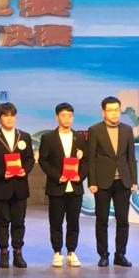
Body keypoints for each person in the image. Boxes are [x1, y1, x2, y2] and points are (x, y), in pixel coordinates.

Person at [86, 95, 138, 267]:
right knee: (102, 221)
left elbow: (131, 157)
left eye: (117, 110)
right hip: (102, 182)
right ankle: (103, 255)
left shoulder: (127, 130)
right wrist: (91, 181)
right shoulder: (95, 130)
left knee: (123, 221)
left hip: (123, 182)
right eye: (110, 110)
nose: (114, 113)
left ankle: (120, 255)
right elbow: (91, 158)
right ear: (103, 112)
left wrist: (134, 180)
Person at [0, 101, 35, 269]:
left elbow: (30, 158)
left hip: (20, 186)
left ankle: (18, 252)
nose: (10, 118)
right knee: (2, 220)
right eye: (6, 116)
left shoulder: (24, 136)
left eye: (12, 115)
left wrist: (25, 170)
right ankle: (4, 251)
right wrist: (1, 173)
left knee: (19, 221)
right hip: (1, 186)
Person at [38, 102, 86, 268]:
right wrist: (57, 176)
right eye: (64, 115)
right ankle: (57, 252)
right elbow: (43, 161)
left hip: (75, 187)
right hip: (57, 187)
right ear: (57, 117)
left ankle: (71, 252)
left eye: (70, 116)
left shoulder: (80, 137)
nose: (67, 119)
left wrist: (81, 176)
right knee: (56, 222)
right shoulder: (48, 138)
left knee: (74, 222)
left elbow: (86, 161)